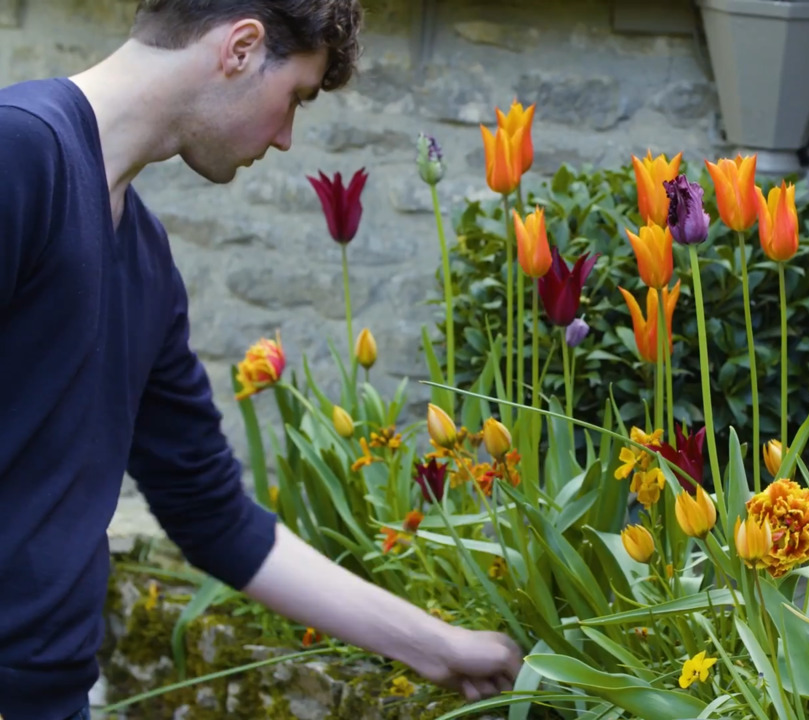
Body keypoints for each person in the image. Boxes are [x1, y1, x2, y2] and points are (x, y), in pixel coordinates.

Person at [0, 2, 524, 718]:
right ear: (241, 48)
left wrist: (437, 645)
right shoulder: (17, 154)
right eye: (295, 101)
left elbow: (215, 519)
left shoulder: (147, 264)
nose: (284, 139)